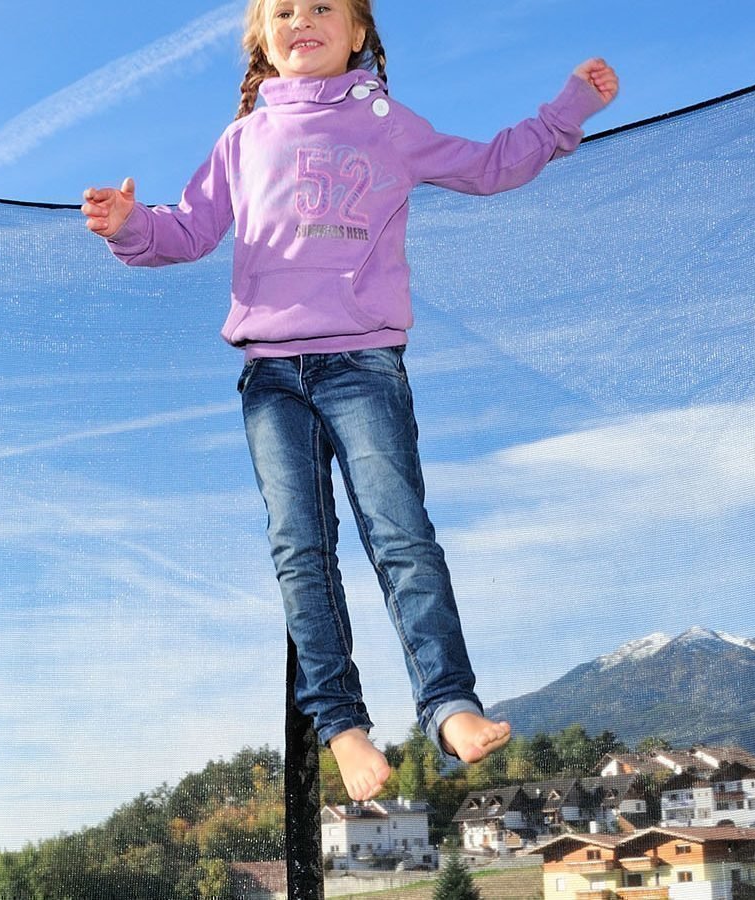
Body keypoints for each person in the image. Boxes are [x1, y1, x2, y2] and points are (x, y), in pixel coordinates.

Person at [81, 0, 618, 801]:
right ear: (262, 40)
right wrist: (130, 225)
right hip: (270, 375)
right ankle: (342, 725)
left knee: (400, 532)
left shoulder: (386, 124)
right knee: (300, 548)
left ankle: (448, 703)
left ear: (358, 32)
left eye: (323, 6)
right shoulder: (243, 139)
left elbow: (490, 165)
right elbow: (189, 230)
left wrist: (568, 107)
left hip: (363, 363)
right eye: (285, 11)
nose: (304, 19)